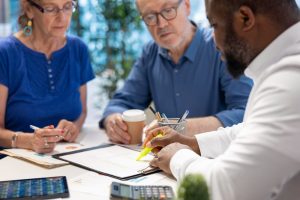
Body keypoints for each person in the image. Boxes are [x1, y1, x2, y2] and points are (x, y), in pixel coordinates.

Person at [144, 0, 300, 199]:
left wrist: (177, 157)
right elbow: (251, 130)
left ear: (245, 18)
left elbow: (226, 188)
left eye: (214, 25)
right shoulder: (285, 66)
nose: (215, 43)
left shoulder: (291, 80)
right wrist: (194, 143)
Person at [99, 0, 253, 144]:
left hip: (217, 158)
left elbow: (245, 114)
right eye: (150, 17)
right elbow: (123, 101)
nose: (161, 23)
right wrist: (113, 121)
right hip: (167, 161)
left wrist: (181, 127)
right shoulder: (150, 53)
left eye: (168, 10)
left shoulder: (219, 47)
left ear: (186, 6)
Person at [0, 0, 94, 154]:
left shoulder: (78, 49)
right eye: (50, 9)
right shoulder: (5, 53)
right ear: (29, 9)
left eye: (68, 7)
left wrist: (74, 127)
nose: (62, 17)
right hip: (15, 163)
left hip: (66, 157)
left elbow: (82, 112)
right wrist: (29, 140)